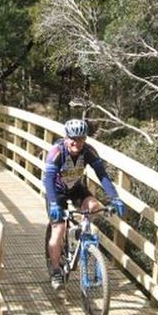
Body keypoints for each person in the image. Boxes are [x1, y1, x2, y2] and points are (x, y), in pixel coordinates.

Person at [43, 118, 125, 290]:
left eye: (80, 138)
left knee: (95, 207)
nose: (76, 142)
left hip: (75, 187)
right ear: (66, 138)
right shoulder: (57, 152)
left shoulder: (88, 151)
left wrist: (115, 198)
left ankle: (81, 235)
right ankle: (56, 270)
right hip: (56, 192)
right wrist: (53, 204)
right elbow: (48, 179)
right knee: (58, 229)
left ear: (85, 139)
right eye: (73, 138)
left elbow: (102, 175)